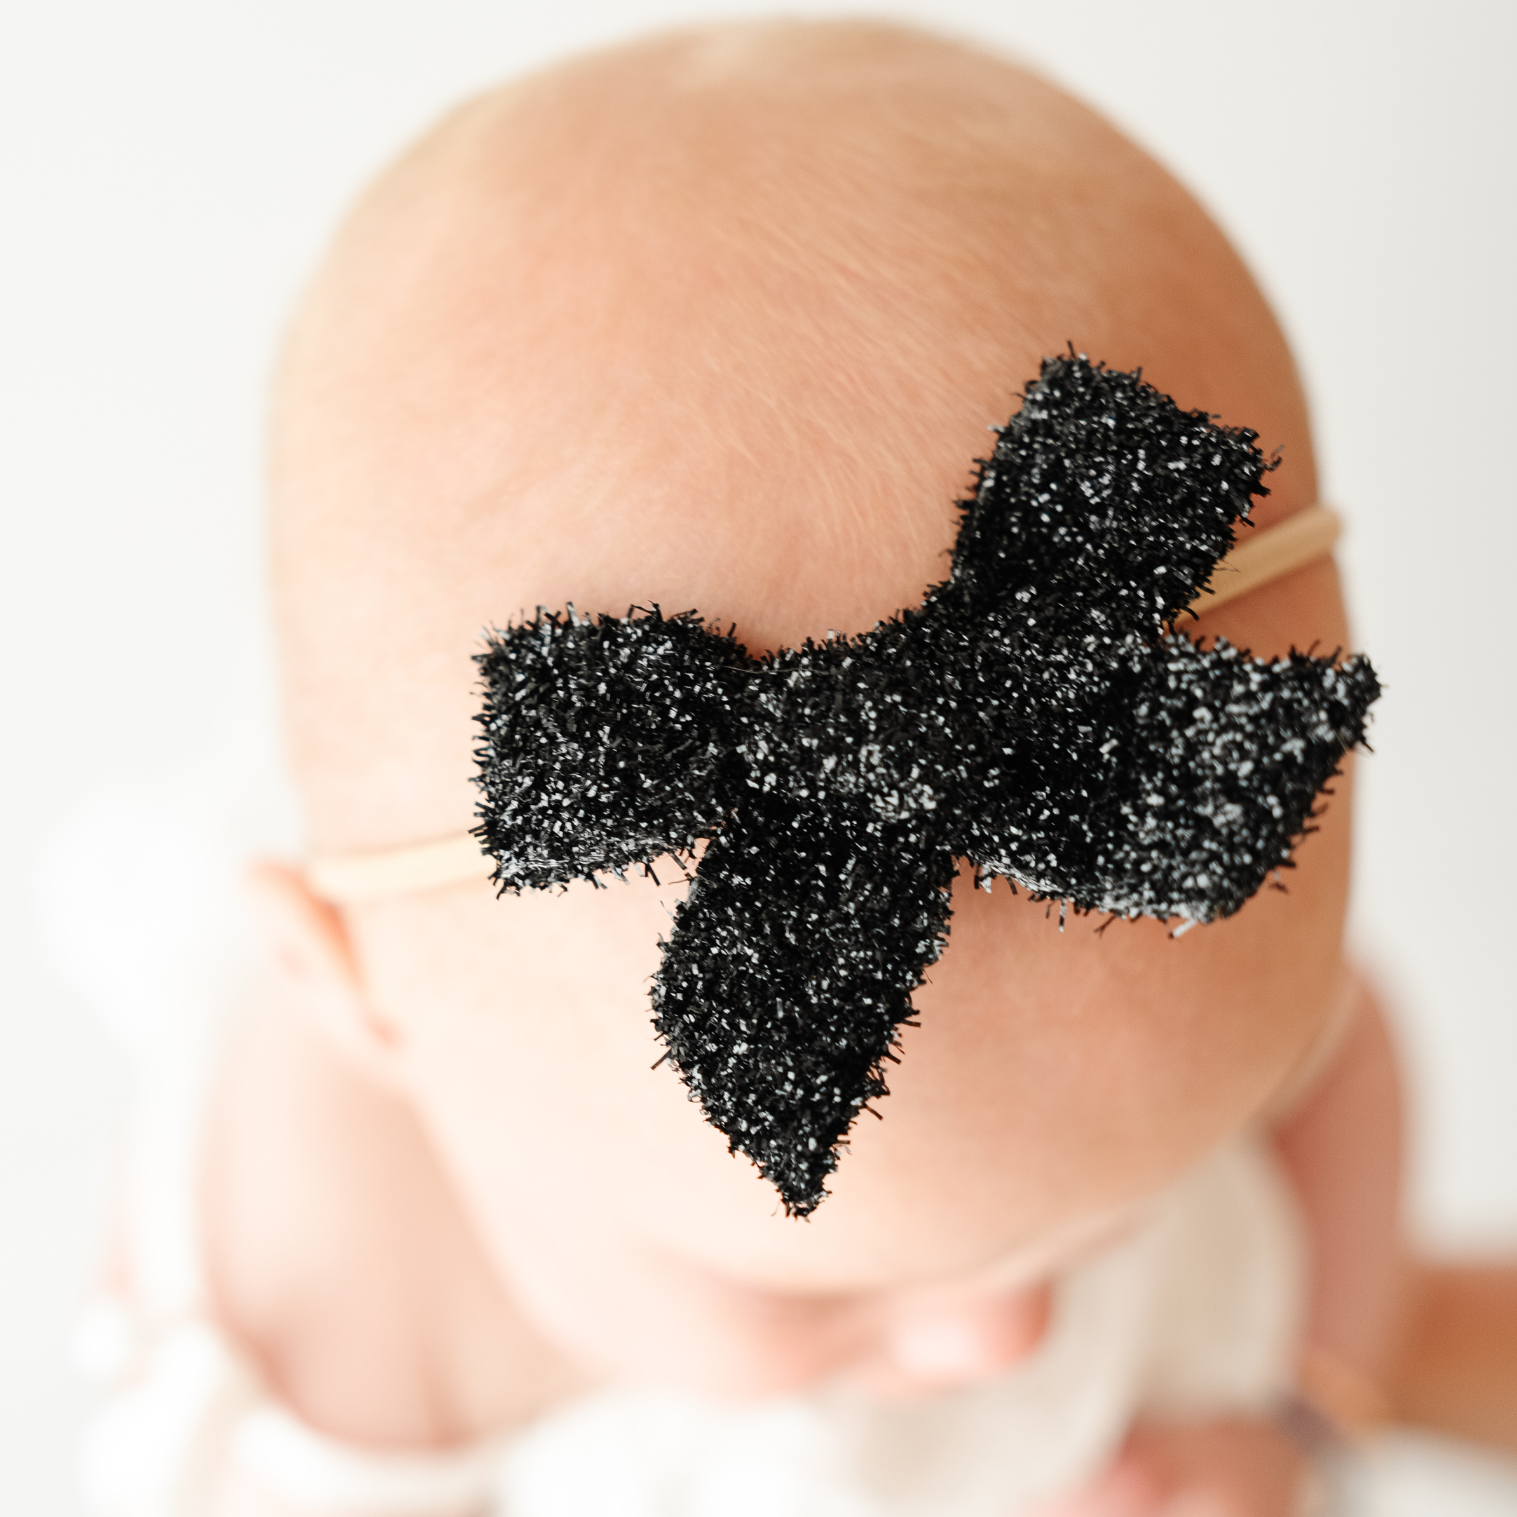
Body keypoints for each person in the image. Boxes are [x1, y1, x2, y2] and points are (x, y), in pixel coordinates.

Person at [80, 20, 1517, 1517]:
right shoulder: (330, 1306)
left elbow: (1347, 1066)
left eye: (1141, 1198)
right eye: (815, 1292)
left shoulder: (1173, 980)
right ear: (358, 998)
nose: (1005, 1341)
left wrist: (1308, 1408)